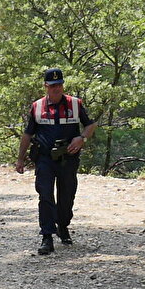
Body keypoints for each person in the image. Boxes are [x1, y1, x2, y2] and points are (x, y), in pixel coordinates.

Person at [15, 68, 97, 255]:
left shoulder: (75, 104)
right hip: (44, 159)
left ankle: (63, 225)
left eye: (59, 84)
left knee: (67, 195)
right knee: (45, 195)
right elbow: (28, 133)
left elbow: (91, 124)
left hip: (68, 159)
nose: (56, 88)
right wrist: (20, 159)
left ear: (63, 85)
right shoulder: (37, 107)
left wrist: (81, 138)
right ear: (46, 86)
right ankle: (47, 236)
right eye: (52, 86)